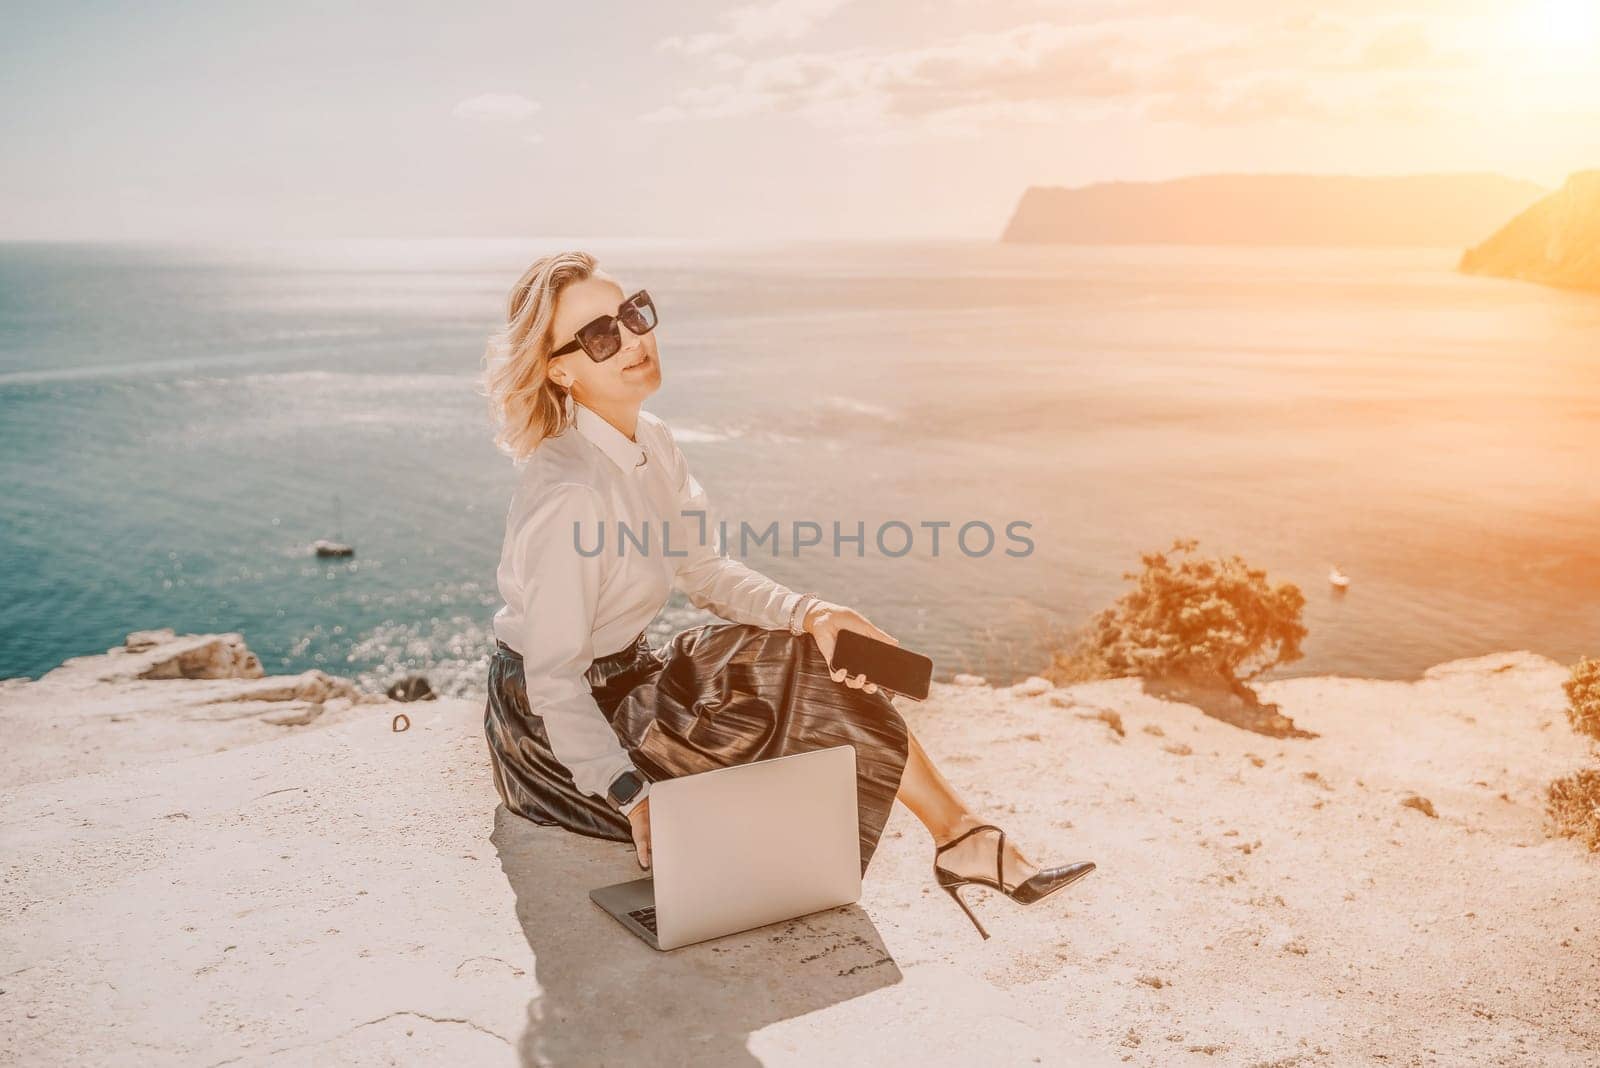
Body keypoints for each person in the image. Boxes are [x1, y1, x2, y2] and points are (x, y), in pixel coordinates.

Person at [479, 250, 1094, 939]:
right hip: (552, 732)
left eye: (633, 314)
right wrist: (630, 793)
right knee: (785, 695)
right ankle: (967, 843)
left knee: (804, 650)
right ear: (560, 369)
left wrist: (813, 612)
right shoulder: (570, 492)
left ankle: (962, 835)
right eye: (601, 335)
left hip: (630, 681)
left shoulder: (649, 442)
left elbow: (705, 572)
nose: (632, 339)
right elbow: (553, 679)